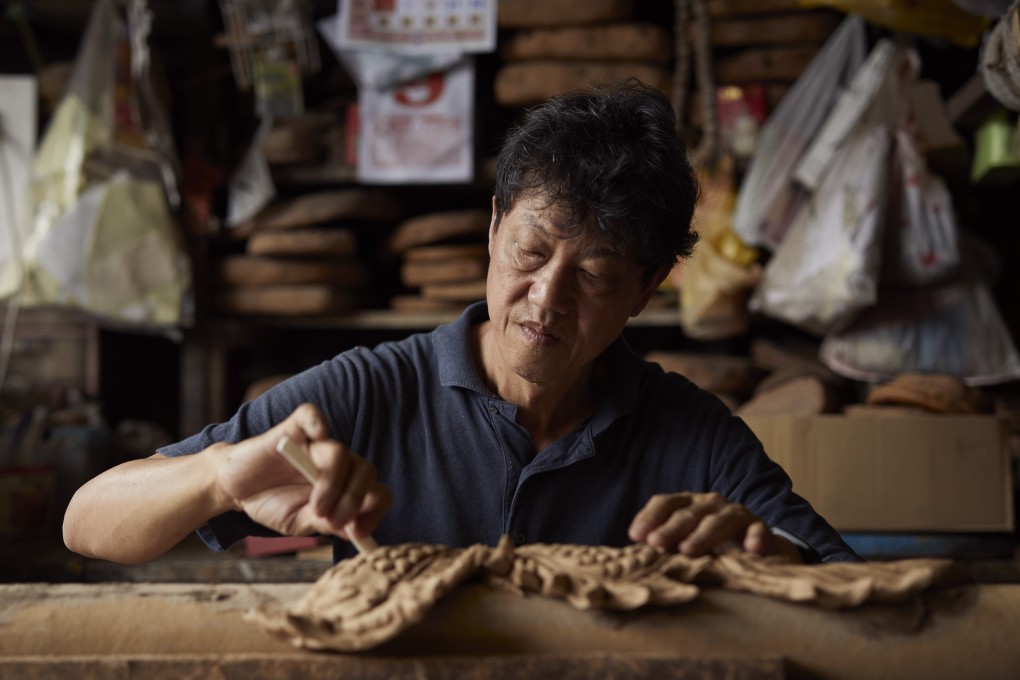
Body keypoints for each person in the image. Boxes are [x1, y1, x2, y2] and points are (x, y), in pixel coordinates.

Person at [63, 79, 861, 566]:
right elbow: (86, 523)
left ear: (649, 289)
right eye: (530, 251)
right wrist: (220, 475)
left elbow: (842, 587)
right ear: (491, 229)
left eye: (595, 276)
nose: (546, 298)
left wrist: (762, 558)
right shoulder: (372, 393)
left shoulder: (691, 434)